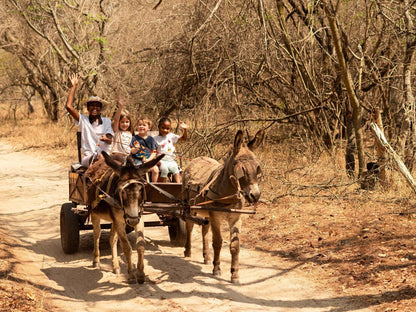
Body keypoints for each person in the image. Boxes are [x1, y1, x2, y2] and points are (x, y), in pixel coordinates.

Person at [65, 73, 114, 167]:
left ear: (101, 108)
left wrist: (106, 138)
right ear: (87, 108)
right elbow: (68, 106)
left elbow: (110, 139)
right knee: (98, 158)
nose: (94, 108)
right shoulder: (83, 120)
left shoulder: (106, 121)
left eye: (97, 106)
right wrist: (74, 87)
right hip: (89, 158)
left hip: (106, 157)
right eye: (92, 105)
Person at [153, 117, 188, 183]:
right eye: (163, 128)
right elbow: (153, 152)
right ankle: (162, 187)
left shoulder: (171, 136)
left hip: (170, 160)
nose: (165, 130)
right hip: (161, 160)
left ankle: (178, 188)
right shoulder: (155, 139)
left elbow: (184, 138)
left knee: (176, 169)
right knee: (164, 169)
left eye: (167, 128)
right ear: (159, 127)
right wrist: (156, 161)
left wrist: (185, 129)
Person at [130, 116, 159, 182]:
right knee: (137, 170)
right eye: (139, 125)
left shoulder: (151, 139)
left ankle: (154, 185)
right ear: (137, 127)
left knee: (156, 169)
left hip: (148, 161)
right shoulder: (134, 138)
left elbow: (154, 152)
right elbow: (132, 152)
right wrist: (136, 148)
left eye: (144, 125)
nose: (141, 127)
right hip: (137, 161)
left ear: (149, 128)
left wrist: (148, 160)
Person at [110, 95, 133, 162]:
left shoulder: (130, 134)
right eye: (122, 122)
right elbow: (116, 120)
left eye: (127, 122)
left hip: (127, 158)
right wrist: (120, 107)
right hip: (116, 157)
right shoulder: (116, 131)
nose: (125, 124)